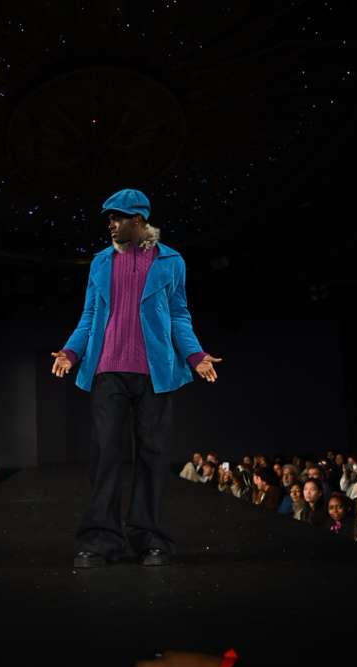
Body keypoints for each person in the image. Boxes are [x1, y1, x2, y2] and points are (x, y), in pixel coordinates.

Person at [52, 188, 221, 569]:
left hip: (154, 373)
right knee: (105, 456)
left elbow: (178, 314)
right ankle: (100, 540)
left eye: (118, 217)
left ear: (139, 219)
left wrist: (195, 355)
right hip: (107, 371)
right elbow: (89, 315)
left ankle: (151, 538)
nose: (111, 224)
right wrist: (70, 352)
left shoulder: (170, 261)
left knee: (153, 457)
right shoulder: (100, 262)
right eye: (109, 218)